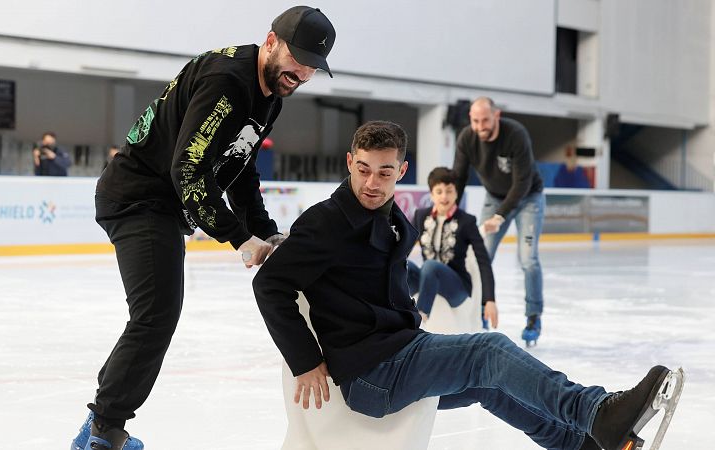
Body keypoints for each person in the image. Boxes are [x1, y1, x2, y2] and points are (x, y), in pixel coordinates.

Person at [253, 121, 683, 450]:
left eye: (384, 172)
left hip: (396, 350)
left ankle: (576, 443)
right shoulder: (325, 222)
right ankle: (596, 412)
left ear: (401, 170)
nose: (371, 182)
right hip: (371, 373)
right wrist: (305, 360)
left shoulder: (396, 221)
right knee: (488, 351)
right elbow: (270, 285)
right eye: (363, 169)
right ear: (350, 162)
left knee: (490, 382)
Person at [71, 6, 336, 450]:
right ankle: (103, 433)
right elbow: (189, 170)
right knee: (156, 314)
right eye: (298, 58)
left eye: (313, 66)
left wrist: (265, 231)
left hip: (161, 203)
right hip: (139, 196)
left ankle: (99, 425)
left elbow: (241, 167)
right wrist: (240, 238)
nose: (303, 72)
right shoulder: (228, 81)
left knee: (156, 313)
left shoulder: (268, 92)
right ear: (271, 41)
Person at [452, 97, 546, 345]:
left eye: (485, 120)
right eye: (475, 121)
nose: (480, 126)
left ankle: (533, 317)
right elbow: (458, 179)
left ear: (497, 116)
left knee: (528, 259)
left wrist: (500, 215)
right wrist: (450, 210)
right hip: (494, 197)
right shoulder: (467, 138)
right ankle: (482, 308)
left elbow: (523, 182)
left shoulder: (515, 134)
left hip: (529, 198)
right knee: (483, 255)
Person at [406, 166, 497, 328]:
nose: (444, 196)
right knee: (403, 265)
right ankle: (394, 311)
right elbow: (403, 248)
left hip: (457, 287)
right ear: (432, 194)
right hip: (428, 280)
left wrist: (489, 300)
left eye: (449, 191)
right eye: (439, 191)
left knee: (430, 266)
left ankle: (419, 318)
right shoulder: (420, 216)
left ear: (456, 193)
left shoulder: (467, 221)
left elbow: (483, 261)